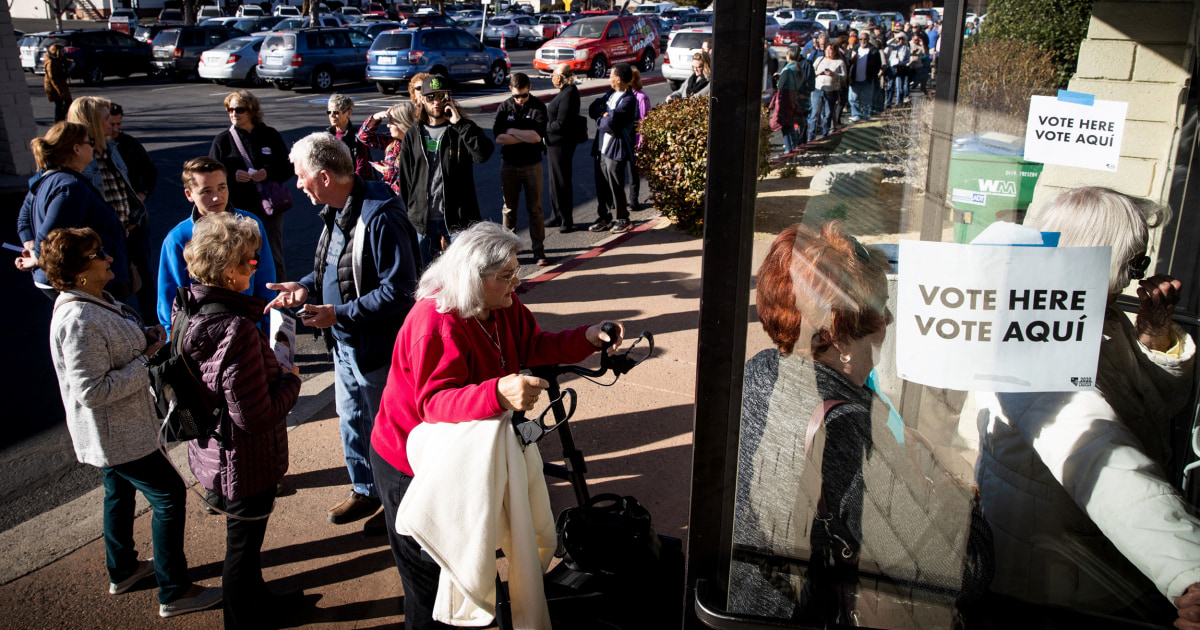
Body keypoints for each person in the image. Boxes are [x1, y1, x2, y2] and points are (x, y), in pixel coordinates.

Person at [368, 221, 625, 629]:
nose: (515, 283)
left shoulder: (502, 304)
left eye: (515, 271)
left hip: (461, 449)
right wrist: (496, 395)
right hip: (409, 462)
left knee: (470, 555)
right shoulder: (435, 321)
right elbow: (433, 403)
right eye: (505, 276)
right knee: (429, 579)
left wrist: (589, 337)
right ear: (473, 279)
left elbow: (534, 345)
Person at [731, 222, 990, 623]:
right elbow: (962, 577)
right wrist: (961, 490)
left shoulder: (760, 371)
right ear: (838, 334)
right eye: (879, 307)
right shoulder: (850, 432)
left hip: (743, 603)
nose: (888, 319)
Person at [975, 187, 1200, 627]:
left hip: (1095, 557)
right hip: (1061, 581)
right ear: (1102, 256)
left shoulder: (1098, 316)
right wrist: (1188, 567)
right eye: (1135, 261)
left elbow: (1158, 408)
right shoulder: (1032, 333)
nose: (1140, 275)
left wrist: (1157, 337)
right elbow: (1097, 451)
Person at [42, 227, 223, 619]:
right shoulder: (79, 319)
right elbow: (92, 390)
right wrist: (147, 360)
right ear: (79, 272)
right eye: (98, 254)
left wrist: (145, 339)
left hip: (118, 434)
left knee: (118, 493)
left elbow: (111, 351)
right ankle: (174, 590)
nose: (108, 258)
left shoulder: (94, 300)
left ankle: (122, 569)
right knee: (170, 497)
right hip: (119, 434)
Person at [267, 132, 420, 535]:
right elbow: (333, 269)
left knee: (387, 428)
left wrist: (339, 313)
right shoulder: (337, 210)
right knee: (352, 419)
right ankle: (366, 490)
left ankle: (400, 508)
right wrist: (305, 286)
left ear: (323, 177)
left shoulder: (382, 216)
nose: (297, 185)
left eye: (300, 177)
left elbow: (401, 291)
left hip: (377, 348)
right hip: (345, 344)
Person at [180, 212, 302, 629]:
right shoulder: (236, 329)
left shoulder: (191, 308)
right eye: (250, 260)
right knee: (242, 547)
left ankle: (259, 600)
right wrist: (291, 381)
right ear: (230, 270)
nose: (255, 265)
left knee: (244, 545)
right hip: (245, 458)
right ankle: (243, 619)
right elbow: (257, 414)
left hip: (216, 449)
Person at [157, 157, 276, 337]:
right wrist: (175, 342)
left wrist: (271, 330)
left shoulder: (250, 225)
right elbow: (169, 301)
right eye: (206, 191)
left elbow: (265, 280)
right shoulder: (178, 239)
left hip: (248, 330)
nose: (216, 196)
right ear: (189, 194)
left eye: (222, 187)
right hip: (202, 337)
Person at [15, 122, 131, 301]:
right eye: (89, 142)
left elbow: (24, 220)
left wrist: (31, 248)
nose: (92, 147)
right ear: (76, 148)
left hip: (68, 278)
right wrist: (37, 256)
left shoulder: (47, 178)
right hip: (84, 281)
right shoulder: (71, 187)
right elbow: (51, 232)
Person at [69, 96, 155, 323]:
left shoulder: (112, 148)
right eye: (107, 119)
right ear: (93, 121)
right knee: (114, 291)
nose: (113, 123)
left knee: (142, 279)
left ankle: (152, 330)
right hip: (106, 240)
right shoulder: (82, 159)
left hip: (132, 229)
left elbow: (126, 188)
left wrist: (134, 217)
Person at [396, 74, 494, 267]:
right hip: (423, 221)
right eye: (431, 97)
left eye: (442, 96)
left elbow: (483, 154)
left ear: (449, 98)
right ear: (422, 99)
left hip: (458, 219)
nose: (436, 102)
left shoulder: (460, 129)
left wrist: (461, 124)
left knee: (461, 272)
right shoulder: (413, 134)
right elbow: (406, 178)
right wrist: (410, 215)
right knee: (427, 275)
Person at [209, 90, 295, 282]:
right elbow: (211, 175)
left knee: (271, 255)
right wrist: (231, 176)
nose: (233, 114)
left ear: (251, 111)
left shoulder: (269, 135)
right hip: (237, 210)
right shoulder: (222, 141)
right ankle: (248, 295)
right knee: (242, 257)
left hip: (268, 209)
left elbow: (288, 167)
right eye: (230, 109)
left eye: (239, 109)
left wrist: (267, 173)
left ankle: (278, 298)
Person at [492, 72, 549, 266]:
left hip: (532, 165)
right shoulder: (504, 108)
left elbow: (537, 137)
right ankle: (509, 252)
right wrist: (524, 135)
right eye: (516, 96)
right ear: (510, 90)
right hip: (509, 165)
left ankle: (539, 251)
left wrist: (512, 132)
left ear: (530, 88)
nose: (519, 100)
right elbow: (499, 138)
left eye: (523, 95)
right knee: (509, 210)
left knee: (535, 209)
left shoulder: (538, 108)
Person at [588, 64, 638, 235]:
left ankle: (623, 218)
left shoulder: (629, 100)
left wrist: (603, 118)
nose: (608, 78)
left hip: (616, 147)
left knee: (615, 183)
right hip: (602, 146)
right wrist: (603, 115)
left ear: (618, 78)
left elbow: (612, 123)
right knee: (601, 184)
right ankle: (605, 217)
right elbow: (593, 108)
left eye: (611, 75)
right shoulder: (610, 94)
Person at [544, 64, 581, 233]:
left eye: (554, 74)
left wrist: (545, 127)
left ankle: (566, 219)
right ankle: (556, 214)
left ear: (560, 77)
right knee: (554, 181)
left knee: (562, 180)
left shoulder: (570, 93)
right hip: (553, 145)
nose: (552, 77)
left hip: (562, 144)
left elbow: (562, 123)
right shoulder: (564, 91)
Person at [358, 102, 418, 196]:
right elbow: (364, 137)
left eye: (392, 122)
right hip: (390, 197)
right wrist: (374, 119)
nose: (388, 125)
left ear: (404, 123)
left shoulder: (418, 145)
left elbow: (416, 177)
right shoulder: (392, 141)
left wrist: (389, 171)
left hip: (407, 202)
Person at [109, 102, 158, 205]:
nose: (115, 129)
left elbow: (149, 171)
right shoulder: (92, 147)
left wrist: (142, 194)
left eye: (118, 124)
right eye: (111, 124)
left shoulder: (129, 143)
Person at [771, 46, 812, 154]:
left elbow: (780, 85)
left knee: (784, 124)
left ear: (789, 55)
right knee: (791, 122)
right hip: (794, 96)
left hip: (785, 98)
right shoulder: (800, 69)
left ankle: (788, 149)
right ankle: (794, 146)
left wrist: (777, 79)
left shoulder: (787, 68)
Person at [326, 93, 374, 180]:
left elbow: (363, 170)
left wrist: (348, 185)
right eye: (329, 112)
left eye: (336, 112)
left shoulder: (357, 138)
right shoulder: (327, 136)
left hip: (350, 187)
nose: (332, 116)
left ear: (348, 113)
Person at [627, 68, 651, 213]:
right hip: (625, 138)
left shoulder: (641, 97)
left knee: (633, 172)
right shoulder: (624, 95)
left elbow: (643, 120)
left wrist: (641, 142)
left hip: (635, 139)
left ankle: (633, 200)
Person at [812, 44, 846, 140]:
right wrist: (818, 73)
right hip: (818, 89)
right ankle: (811, 135)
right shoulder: (820, 59)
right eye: (827, 50)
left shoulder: (839, 62)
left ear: (834, 51)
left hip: (831, 90)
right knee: (815, 113)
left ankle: (825, 133)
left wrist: (833, 74)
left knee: (828, 114)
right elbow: (811, 70)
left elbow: (844, 76)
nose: (828, 52)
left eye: (830, 50)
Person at [847, 35, 880, 122]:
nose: (863, 41)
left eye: (865, 39)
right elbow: (847, 62)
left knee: (867, 100)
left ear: (868, 40)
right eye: (861, 39)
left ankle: (866, 116)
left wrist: (873, 75)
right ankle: (856, 115)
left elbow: (878, 65)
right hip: (854, 79)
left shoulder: (874, 51)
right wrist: (851, 59)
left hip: (867, 79)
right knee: (852, 99)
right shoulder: (854, 50)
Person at [44, 43, 72, 122]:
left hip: (61, 84)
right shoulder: (50, 63)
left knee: (65, 103)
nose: (63, 53)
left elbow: (66, 63)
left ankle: (60, 119)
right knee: (61, 103)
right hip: (54, 87)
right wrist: (59, 90)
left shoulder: (58, 59)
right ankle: (59, 120)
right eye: (62, 51)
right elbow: (52, 78)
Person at [884, 32, 911, 108]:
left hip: (900, 67)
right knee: (890, 86)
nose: (900, 40)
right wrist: (894, 38)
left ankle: (899, 101)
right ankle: (888, 102)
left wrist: (900, 63)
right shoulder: (894, 47)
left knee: (899, 86)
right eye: (899, 39)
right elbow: (887, 43)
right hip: (892, 67)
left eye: (901, 38)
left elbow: (908, 59)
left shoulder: (906, 48)